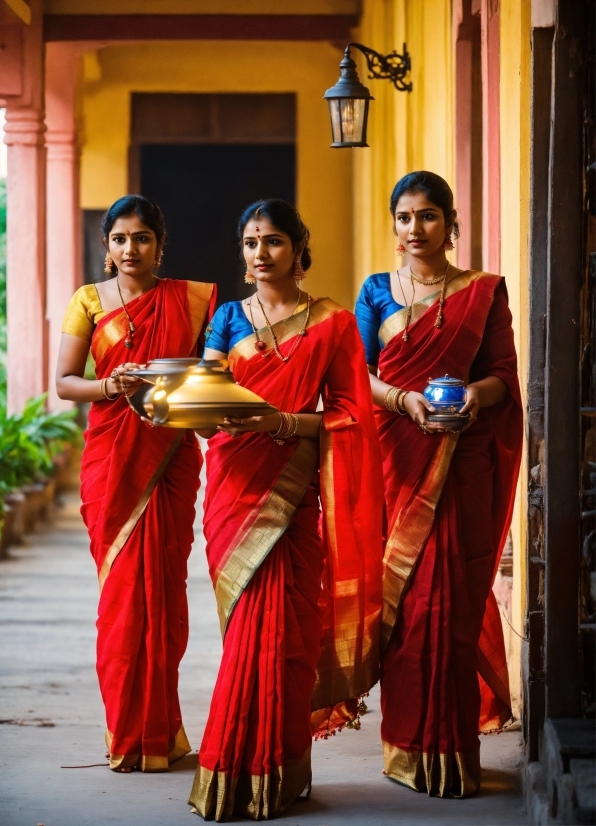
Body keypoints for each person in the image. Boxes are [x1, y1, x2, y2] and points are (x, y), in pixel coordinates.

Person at [189, 199, 383, 821]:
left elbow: (353, 414)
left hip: (295, 491)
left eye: (272, 241)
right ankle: (237, 769)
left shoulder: (331, 323)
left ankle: (277, 768)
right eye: (249, 242)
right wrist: (181, 406)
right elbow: (206, 398)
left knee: (285, 634)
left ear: (299, 251)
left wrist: (284, 423)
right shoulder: (225, 318)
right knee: (247, 631)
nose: (259, 253)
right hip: (233, 486)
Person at [354, 171, 523, 798]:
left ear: (450, 223)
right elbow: (357, 373)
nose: (414, 229)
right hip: (398, 458)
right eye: (404, 217)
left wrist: (469, 401)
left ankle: (452, 747)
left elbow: (503, 374)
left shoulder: (483, 291)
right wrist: (404, 401)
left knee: (448, 603)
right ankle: (404, 745)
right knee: (404, 606)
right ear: (394, 226)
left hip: (462, 460)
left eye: (428, 216)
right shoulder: (376, 292)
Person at [56, 195, 215, 772]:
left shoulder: (192, 302)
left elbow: (209, 373)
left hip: (169, 451)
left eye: (142, 238)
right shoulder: (88, 302)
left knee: (166, 596)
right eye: (120, 238)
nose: (131, 249)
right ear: (107, 246)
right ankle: (127, 733)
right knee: (122, 603)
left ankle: (162, 732)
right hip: (113, 458)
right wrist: (113, 387)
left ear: (160, 243)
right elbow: (65, 383)